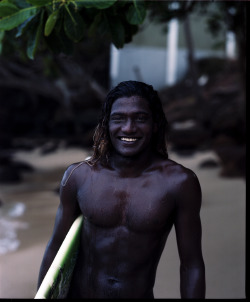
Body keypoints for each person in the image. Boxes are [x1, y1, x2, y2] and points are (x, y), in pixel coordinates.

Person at [37, 80, 205, 299]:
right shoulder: (79, 176)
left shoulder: (179, 183)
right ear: (106, 123)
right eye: (119, 118)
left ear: (155, 124)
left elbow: (191, 265)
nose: (128, 128)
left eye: (140, 118)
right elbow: (55, 248)